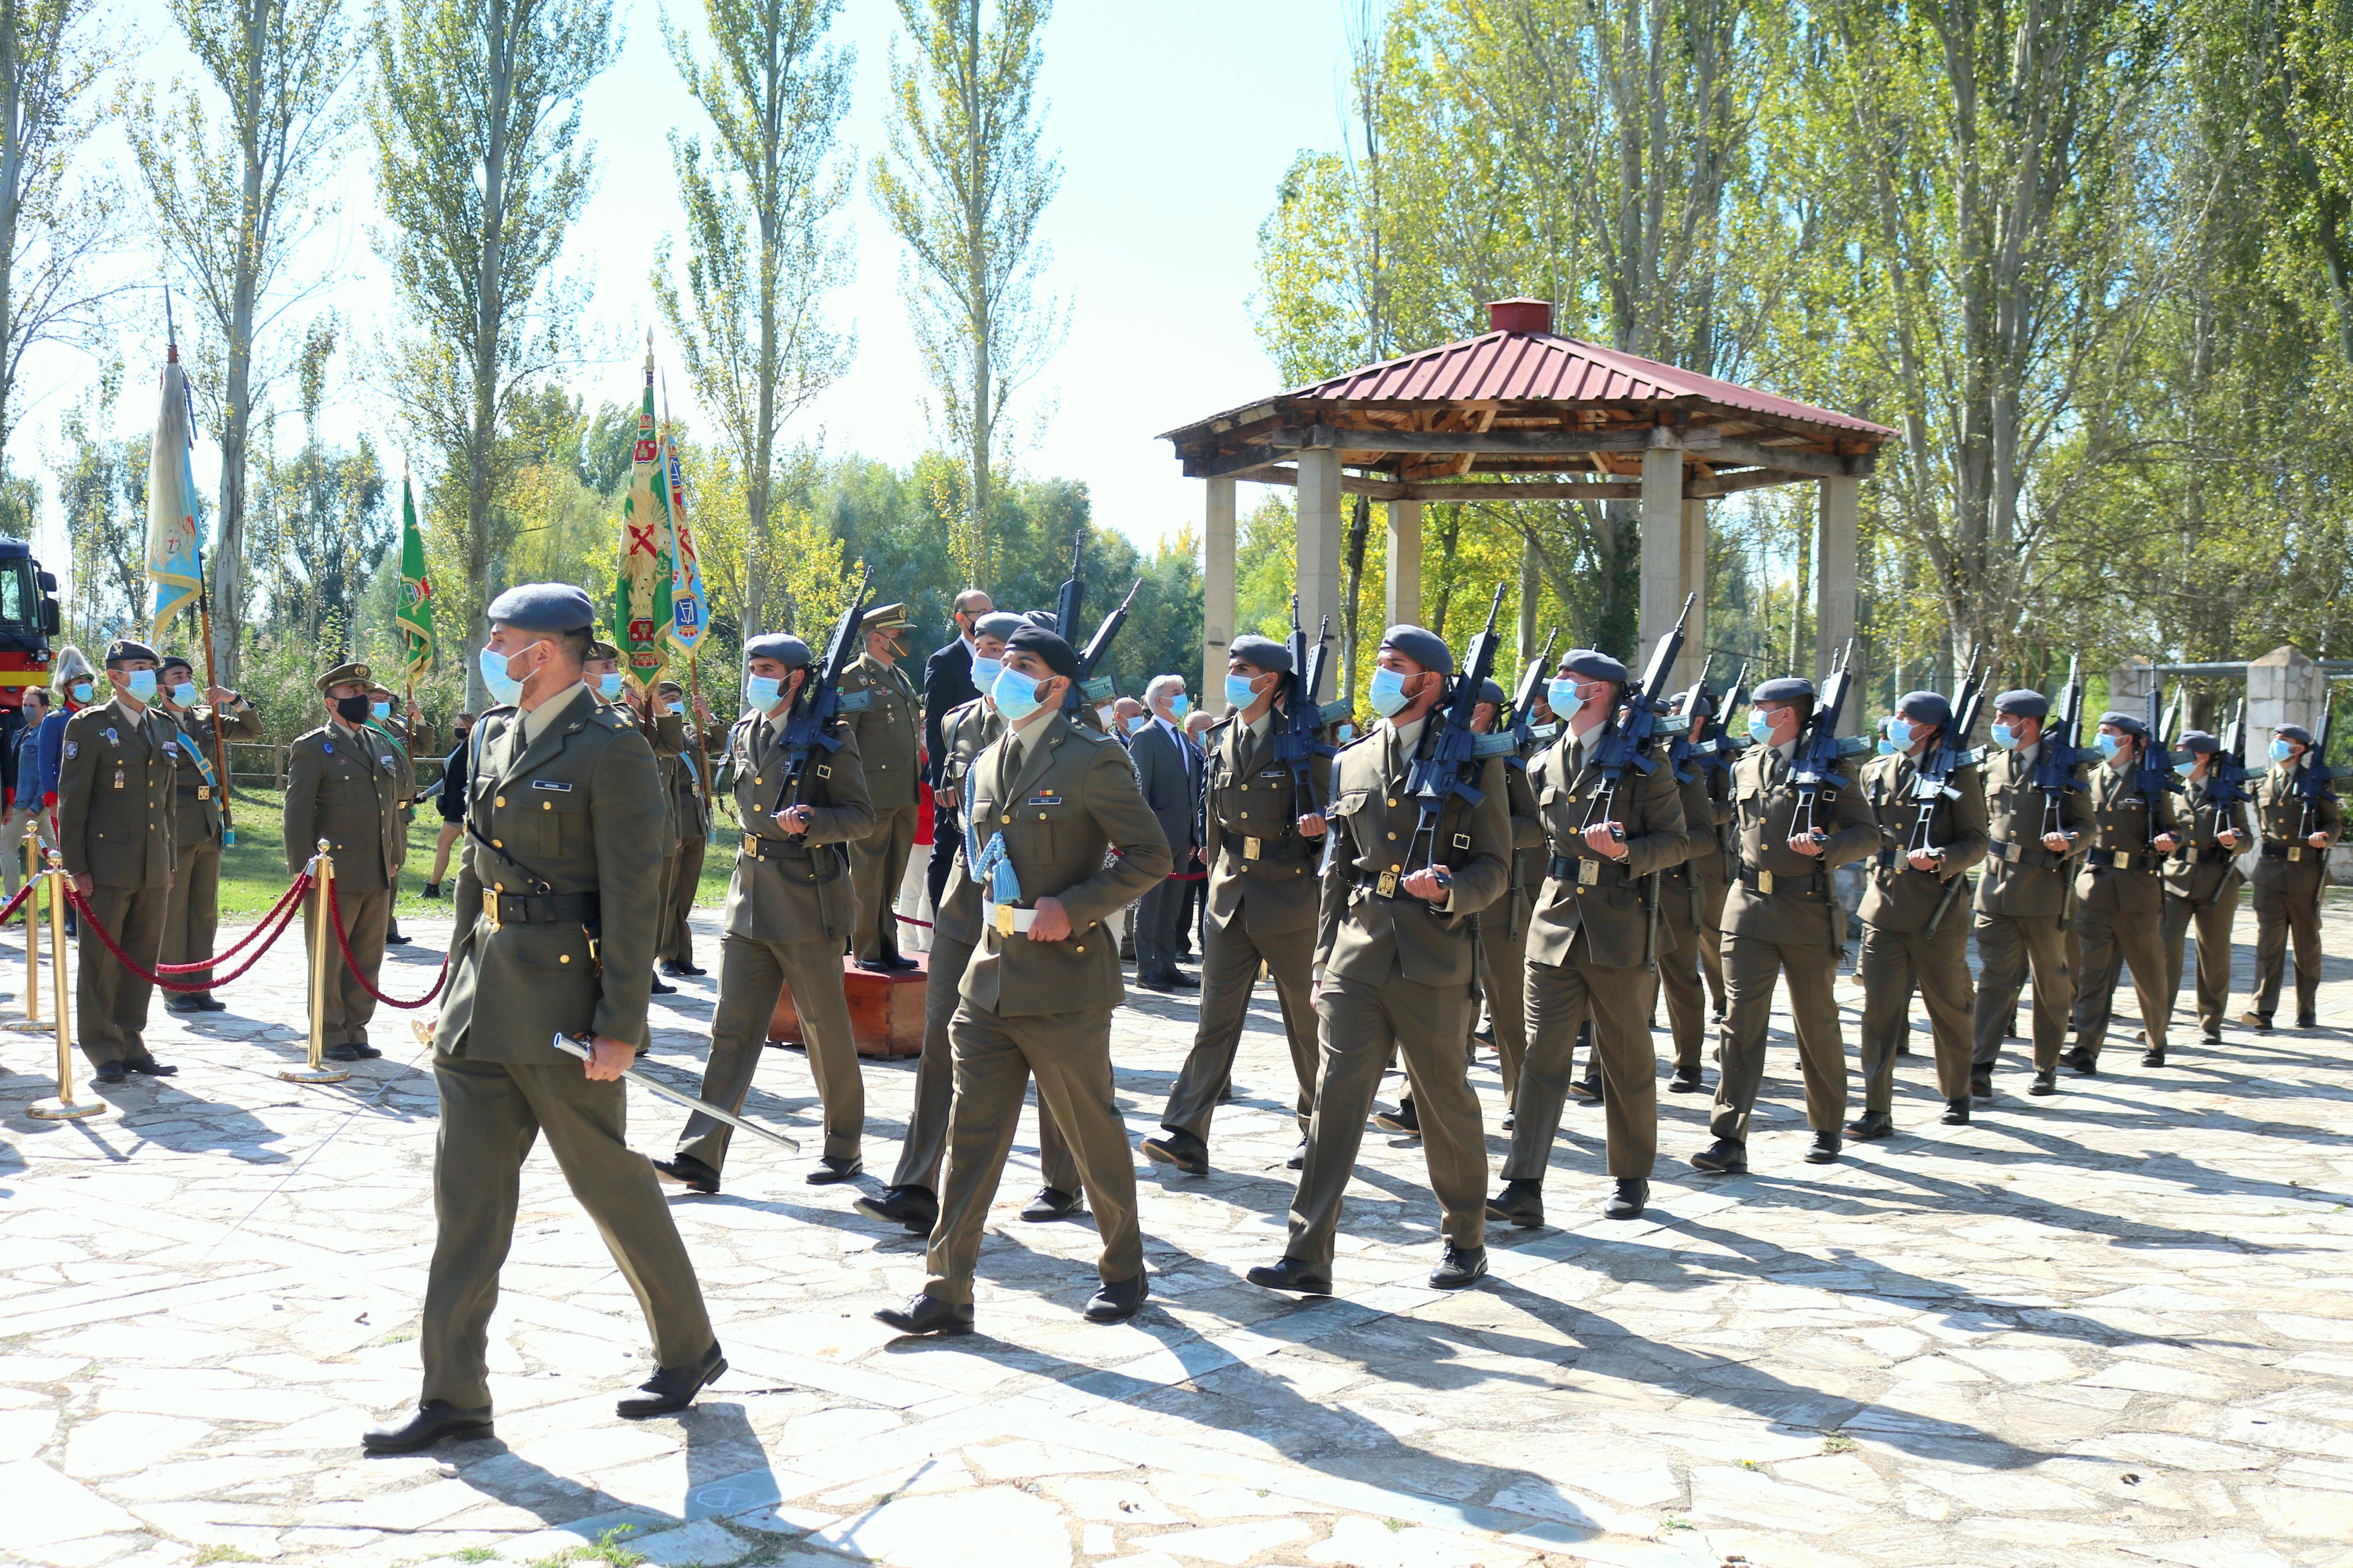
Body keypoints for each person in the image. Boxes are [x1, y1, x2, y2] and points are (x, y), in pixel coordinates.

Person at [363, 584, 721, 1455]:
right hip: (483, 1003)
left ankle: (688, 1347)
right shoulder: (490, 733)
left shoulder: (612, 748)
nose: (491, 648)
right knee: (466, 1204)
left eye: (505, 638)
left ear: (551, 649)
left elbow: (637, 893)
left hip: (566, 1003)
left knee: (608, 1182)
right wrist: (453, 978)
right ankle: (452, 1392)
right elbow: (479, 873)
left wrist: (622, 1022)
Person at [875, 624, 1169, 1335]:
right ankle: (946, 1289)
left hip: (1063, 982)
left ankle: (1124, 1267)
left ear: (1057, 684)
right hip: (989, 976)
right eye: (1001, 662)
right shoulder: (984, 760)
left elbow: (1151, 855)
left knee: (1089, 1129)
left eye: (1022, 665)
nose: (1003, 674)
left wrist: (1073, 908)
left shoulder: (1093, 759)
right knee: (971, 1136)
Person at [1249, 625, 1509, 1296]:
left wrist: (1453, 888)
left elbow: (1496, 867)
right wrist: (1319, 963)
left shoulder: (1477, 762)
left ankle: (1464, 1237)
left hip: (1433, 955)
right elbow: (1336, 870)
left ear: (1429, 681)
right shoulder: (1352, 760)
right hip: (1355, 957)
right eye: (1380, 663)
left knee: (1443, 1102)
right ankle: (1307, 1253)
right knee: (1334, 1102)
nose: (1381, 675)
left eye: (1395, 666)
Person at [859, 612, 1083, 1231]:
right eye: (981, 650)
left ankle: (1063, 1178)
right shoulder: (958, 724)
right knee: (941, 1036)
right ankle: (914, 1183)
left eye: (1002, 652)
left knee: (1048, 1048)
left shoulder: (1069, 726)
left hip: (1037, 904)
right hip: (966, 899)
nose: (992, 663)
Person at [654, 632, 873, 1193]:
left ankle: (843, 1146)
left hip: (807, 896)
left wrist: (814, 823)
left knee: (824, 1029)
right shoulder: (745, 729)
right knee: (731, 1029)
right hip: (748, 895)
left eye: (766, 668)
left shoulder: (831, 736)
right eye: (753, 666)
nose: (756, 677)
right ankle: (701, 1152)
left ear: (796, 678)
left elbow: (861, 816)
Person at [1488, 650, 1683, 1229]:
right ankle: (1523, 1183)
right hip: (1552, 923)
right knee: (1540, 1057)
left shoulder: (1647, 765)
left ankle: (1630, 1175)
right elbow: (1524, 830)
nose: (1558, 688)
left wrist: (1627, 851)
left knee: (1625, 1057)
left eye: (1570, 681)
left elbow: (1676, 841)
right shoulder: (1544, 762)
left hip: (1619, 923)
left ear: (1599, 691)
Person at [1141, 635, 1330, 1178]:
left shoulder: (1309, 746)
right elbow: (1212, 818)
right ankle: (1185, 1129)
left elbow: (1338, 832)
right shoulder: (1222, 739)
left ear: (1270, 680)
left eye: (1242, 669)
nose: (1232, 676)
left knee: (1304, 1021)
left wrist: (1317, 834)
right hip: (1230, 897)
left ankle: (1318, 1127)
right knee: (1214, 1019)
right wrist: (1213, 867)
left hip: (1290, 896)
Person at [1693, 676, 1878, 1174]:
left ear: (1789, 714)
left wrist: (1825, 849)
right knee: (1739, 1025)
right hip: (1747, 906)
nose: (1753, 715)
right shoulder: (1747, 764)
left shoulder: (1832, 767)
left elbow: (1867, 834)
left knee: (1814, 1022)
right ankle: (1727, 1137)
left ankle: (1826, 1125)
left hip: (1805, 911)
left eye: (1763, 708)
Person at [1850, 691, 1988, 1135]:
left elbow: (1975, 841)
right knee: (1878, 1013)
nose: (1895, 722)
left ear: (1928, 728)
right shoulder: (1876, 769)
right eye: (1896, 713)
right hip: (1884, 907)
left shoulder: (1959, 773)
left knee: (1947, 1007)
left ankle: (1956, 1092)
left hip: (1936, 911)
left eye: (1904, 717)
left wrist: (1943, 858)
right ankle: (1876, 1108)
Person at [55, 639, 182, 1083]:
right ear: (114, 675)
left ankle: (132, 1040)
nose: (147, 673)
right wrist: (77, 867)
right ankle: (101, 1046)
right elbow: (73, 803)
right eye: (138, 666)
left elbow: (166, 804)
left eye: (151, 666)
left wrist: (169, 861)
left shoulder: (163, 726)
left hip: (152, 862)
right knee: (101, 961)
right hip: (105, 866)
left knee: (141, 958)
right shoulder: (89, 726)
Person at [1969, 689, 2095, 1096]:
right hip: (1994, 886)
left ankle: (2045, 1065)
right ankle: (1979, 1064)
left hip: (2044, 889)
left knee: (2049, 983)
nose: (2000, 724)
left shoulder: (2065, 767)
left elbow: (2087, 826)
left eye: (2008, 718)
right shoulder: (1992, 764)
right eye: (2000, 717)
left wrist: (2069, 841)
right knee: (1994, 979)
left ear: (2031, 724)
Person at [282, 662, 406, 1061]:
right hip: (332, 870)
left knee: (367, 955)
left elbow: (391, 806)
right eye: (353, 692)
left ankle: (356, 1027)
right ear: (331, 702)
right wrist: (306, 867)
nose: (363, 699)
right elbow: (297, 812)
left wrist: (395, 856)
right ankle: (330, 1031)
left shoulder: (379, 742)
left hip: (376, 866)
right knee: (330, 955)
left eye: (364, 691)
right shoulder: (314, 746)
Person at [2064, 712, 2184, 1073]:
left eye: (2109, 733)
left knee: (2148, 974)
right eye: (2100, 732)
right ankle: (2085, 1048)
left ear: (2128, 740)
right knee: (2092, 976)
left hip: (2137, 890)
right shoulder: (2087, 778)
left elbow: (2176, 831)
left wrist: (2169, 841)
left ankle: (2155, 1040)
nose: (2101, 738)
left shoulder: (2152, 784)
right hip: (2094, 888)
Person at [156, 653, 262, 1015]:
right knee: (176, 909)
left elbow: (252, 730)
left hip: (208, 819)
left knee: (204, 910)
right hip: (175, 820)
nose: (184, 680)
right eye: (176, 675)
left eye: (187, 674)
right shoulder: (154, 722)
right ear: (161, 686)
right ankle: (174, 989)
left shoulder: (207, 716)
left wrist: (235, 701)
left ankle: (201, 984)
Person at [1659, 690, 1734, 1094]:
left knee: (1709, 942)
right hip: (1655, 867)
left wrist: (1702, 808)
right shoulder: (1655, 756)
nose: (1674, 715)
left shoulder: (1716, 757)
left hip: (1702, 867)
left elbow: (1730, 807)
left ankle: (1721, 1008)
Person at [842, 602, 924, 971]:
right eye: (897, 634)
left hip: (903, 793)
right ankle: (866, 949)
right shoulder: (854, 679)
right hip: (871, 796)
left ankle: (886, 945)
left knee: (891, 874)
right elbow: (845, 740)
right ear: (877, 638)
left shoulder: (899, 676)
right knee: (867, 874)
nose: (904, 640)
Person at [2243, 723, 2341, 1030]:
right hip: (2269, 873)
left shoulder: (2318, 782)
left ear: (2299, 749)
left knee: (2306, 944)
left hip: (2305, 874)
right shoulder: (2260, 782)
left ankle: (2306, 1006)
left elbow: (2334, 822)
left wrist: (2326, 836)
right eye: (2275, 740)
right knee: (2268, 945)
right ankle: (2262, 1009)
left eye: (2284, 741)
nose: (2277, 745)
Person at [2162, 730, 2248, 1046]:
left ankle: (2211, 1021)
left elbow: (2247, 840)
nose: (2176, 756)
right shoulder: (2169, 790)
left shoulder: (2228, 793)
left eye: (2182, 751)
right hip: (2174, 879)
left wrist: (2234, 840)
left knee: (2214, 953)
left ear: (2202, 757)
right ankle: (2158, 1020)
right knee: (2164, 951)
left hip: (2217, 881)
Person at [1129, 675, 1202, 990]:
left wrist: (1195, 836)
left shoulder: (1183, 739)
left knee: (1172, 905)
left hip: (1182, 838)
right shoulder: (1146, 737)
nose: (1183, 698)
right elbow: (1140, 790)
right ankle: (1147, 969)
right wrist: (1145, 837)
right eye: (1176, 693)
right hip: (1156, 837)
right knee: (1151, 904)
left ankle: (1167, 964)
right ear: (1158, 701)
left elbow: (1192, 790)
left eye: (1183, 692)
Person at [924, 588, 993, 908]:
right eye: (978, 612)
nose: (984, 618)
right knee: (949, 848)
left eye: (989, 611)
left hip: (993, 772)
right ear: (960, 618)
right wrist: (942, 780)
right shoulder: (945, 661)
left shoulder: (1000, 659)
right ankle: (943, 933)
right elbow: (938, 727)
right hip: (957, 774)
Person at [655, 680, 721, 977]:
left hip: (696, 820)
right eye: (668, 698)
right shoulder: (657, 735)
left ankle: (683, 955)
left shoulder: (693, 733)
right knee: (667, 894)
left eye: (678, 698)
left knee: (686, 894)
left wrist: (707, 715)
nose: (675, 702)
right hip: (675, 821)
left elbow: (722, 742)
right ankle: (666, 955)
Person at [365, 680, 428, 948]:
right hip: (375, 813)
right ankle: (373, 928)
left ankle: (388, 927)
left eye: (386, 699)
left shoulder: (397, 727)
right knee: (376, 870)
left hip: (400, 814)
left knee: (394, 869)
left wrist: (419, 718)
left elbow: (424, 747)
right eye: (376, 698)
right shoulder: (361, 729)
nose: (383, 703)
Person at [424, 713, 477, 897]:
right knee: (475, 846)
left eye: (461, 724)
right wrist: (427, 793)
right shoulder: (460, 746)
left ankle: (433, 887)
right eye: (456, 724)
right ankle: (470, 880)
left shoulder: (474, 747)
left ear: (471, 726)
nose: (458, 728)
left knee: (444, 843)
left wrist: (467, 791)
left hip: (461, 806)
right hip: (454, 804)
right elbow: (447, 777)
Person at [5, 684, 50, 897]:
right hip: (25, 803)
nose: (27, 709)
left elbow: (49, 771)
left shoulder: (45, 735)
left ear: (45, 708)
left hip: (29, 805)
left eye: (32, 705)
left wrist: (37, 803)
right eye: (25, 705)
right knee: (52, 852)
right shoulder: (23, 733)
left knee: (6, 846)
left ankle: (11, 897)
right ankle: (77, 891)